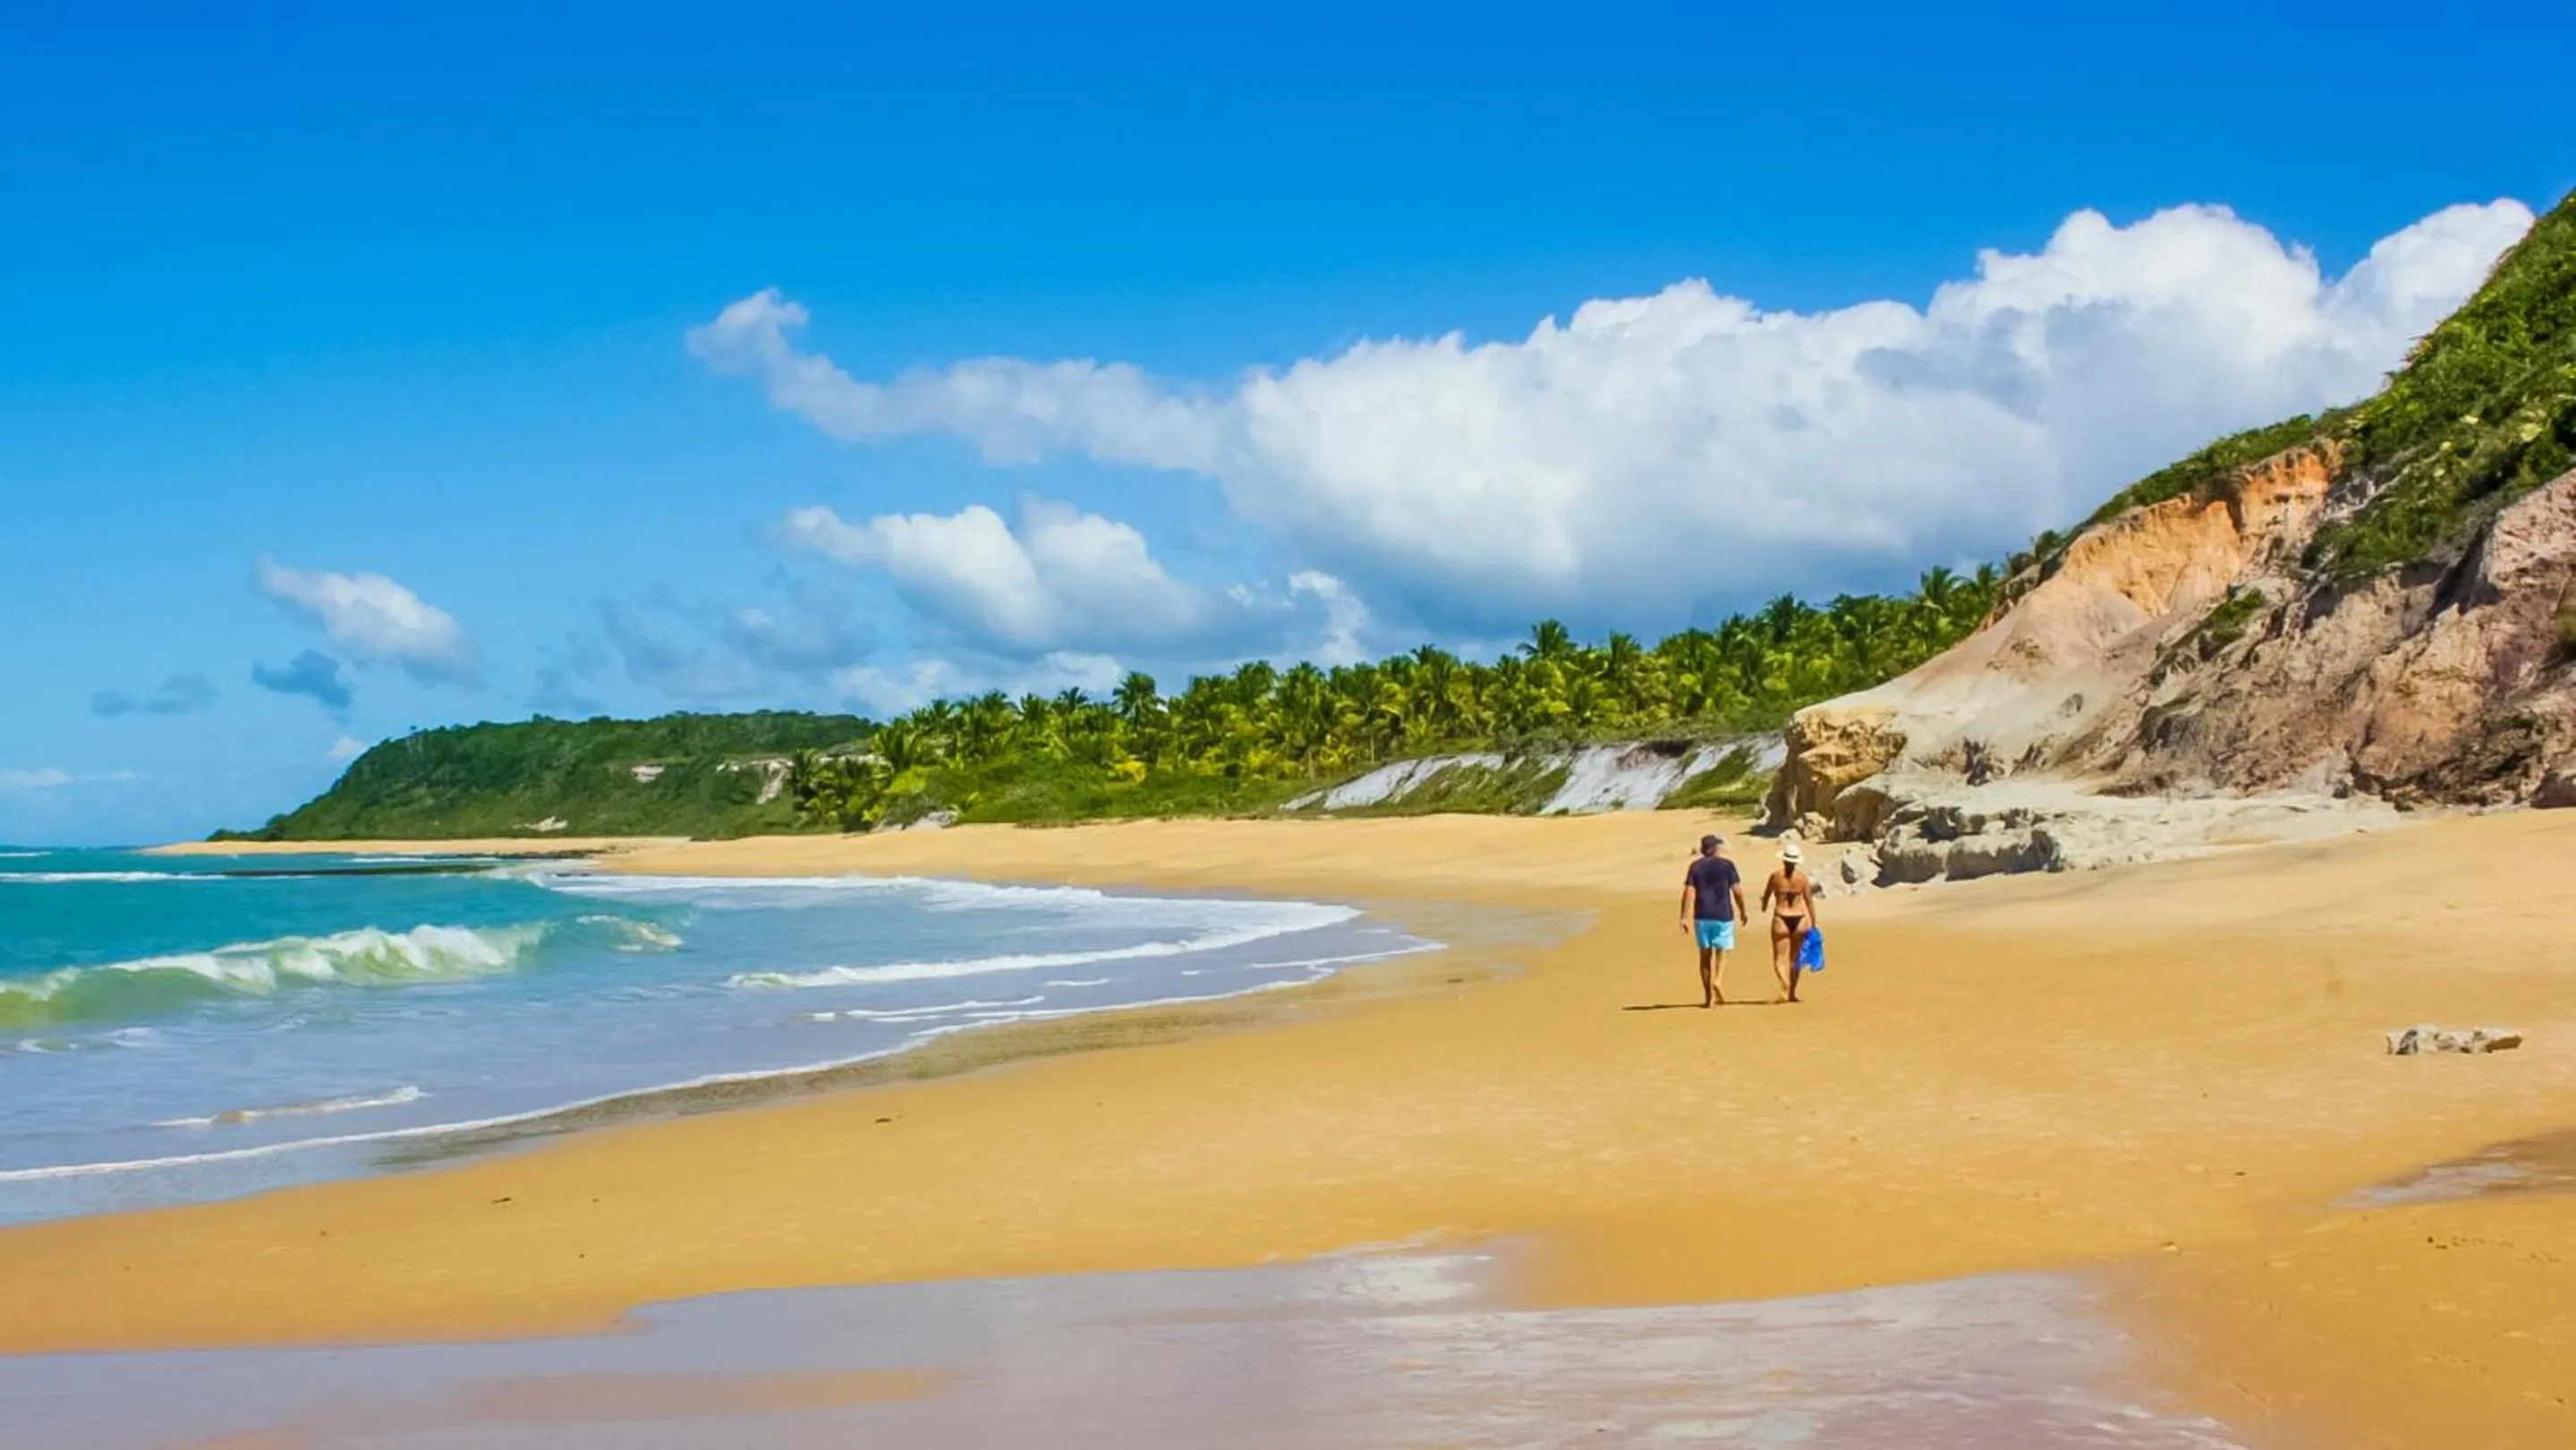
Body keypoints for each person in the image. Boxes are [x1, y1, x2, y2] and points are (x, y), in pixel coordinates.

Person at [1676, 834, 1748, 1008]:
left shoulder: (1695, 867)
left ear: (1702, 849)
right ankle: (1718, 979)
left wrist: (1684, 917)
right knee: (1723, 950)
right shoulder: (1727, 865)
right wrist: (1743, 911)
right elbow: (1737, 891)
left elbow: (1689, 892)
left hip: (1701, 916)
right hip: (1723, 915)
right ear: (1716, 848)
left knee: (1704, 956)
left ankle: (1709, 997)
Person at [1763, 841, 1821, 1004]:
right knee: (1795, 957)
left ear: (1784, 859)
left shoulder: (1776, 876)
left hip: (1781, 916)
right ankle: (1792, 992)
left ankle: (1784, 983)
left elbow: (1767, 894)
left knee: (1779, 957)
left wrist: (1763, 905)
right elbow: (1809, 902)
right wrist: (1814, 922)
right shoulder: (1801, 878)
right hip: (1799, 918)